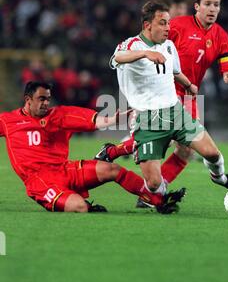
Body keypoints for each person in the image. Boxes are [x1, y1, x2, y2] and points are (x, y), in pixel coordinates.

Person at [96, 0, 228, 196]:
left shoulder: (217, 37)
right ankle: (136, 169)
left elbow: (218, 65)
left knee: (192, 150)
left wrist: (223, 75)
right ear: (197, 6)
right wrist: (145, 54)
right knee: (161, 164)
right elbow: (122, 55)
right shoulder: (165, 31)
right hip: (154, 105)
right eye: (207, 4)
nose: (212, 9)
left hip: (182, 100)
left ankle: (212, 179)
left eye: (216, 5)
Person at [0, 82, 185, 214]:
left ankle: (156, 200)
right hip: (40, 181)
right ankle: (81, 203)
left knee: (112, 169)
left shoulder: (57, 115)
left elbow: (93, 120)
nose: (46, 103)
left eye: (48, 99)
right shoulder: (7, 121)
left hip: (65, 170)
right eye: (41, 99)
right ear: (27, 99)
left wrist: (113, 120)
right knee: (79, 207)